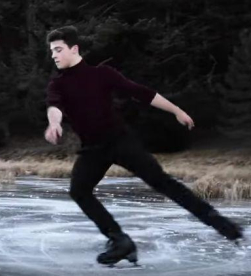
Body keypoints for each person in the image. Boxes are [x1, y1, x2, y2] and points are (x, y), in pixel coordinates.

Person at [44, 26, 243, 266]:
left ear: (74, 49)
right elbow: (54, 107)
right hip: (92, 150)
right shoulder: (58, 84)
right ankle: (119, 240)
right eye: (52, 51)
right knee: (79, 191)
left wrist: (176, 110)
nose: (54, 55)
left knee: (162, 182)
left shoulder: (102, 74)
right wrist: (54, 124)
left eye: (58, 49)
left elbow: (141, 93)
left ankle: (220, 223)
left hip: (120, 141)